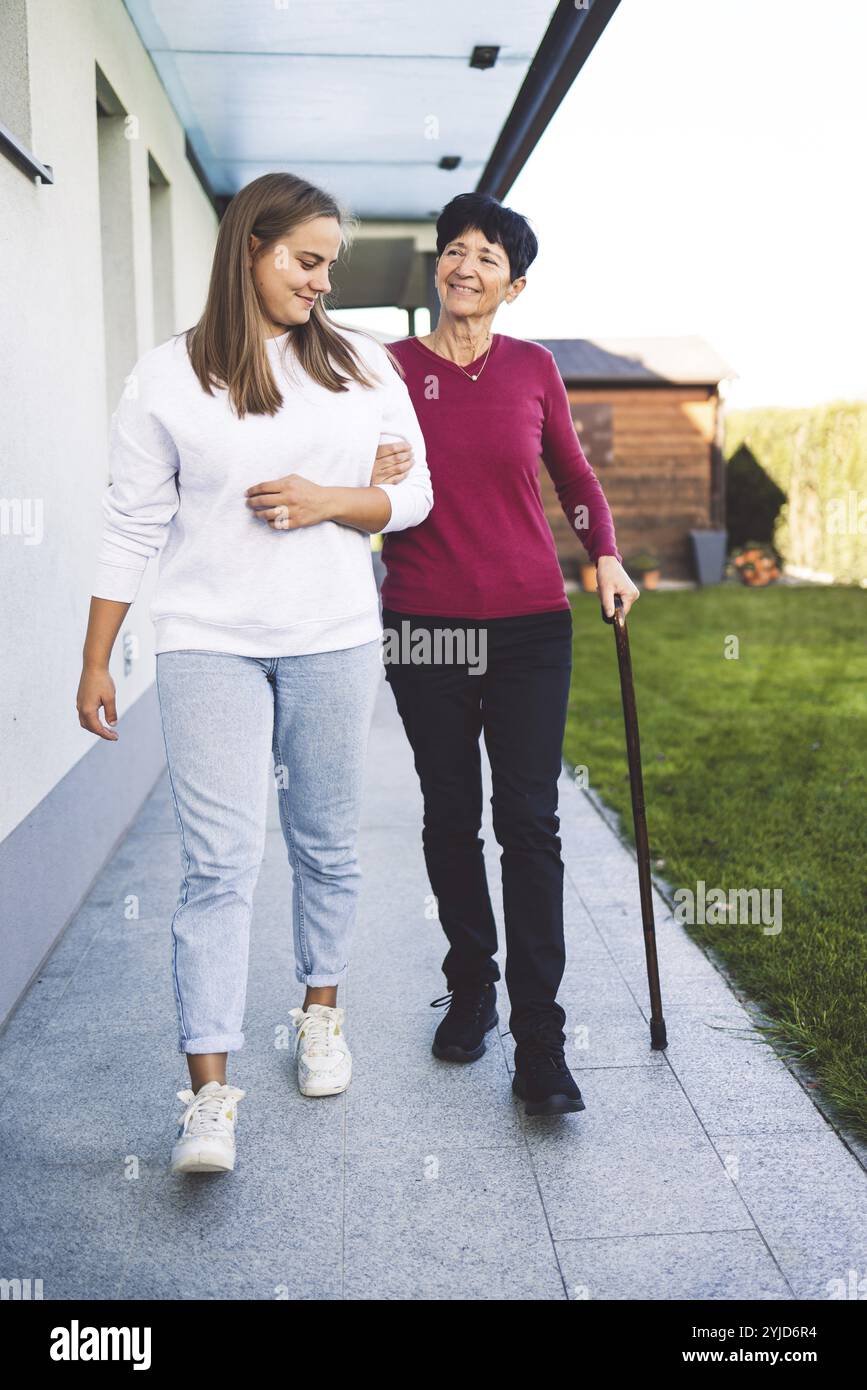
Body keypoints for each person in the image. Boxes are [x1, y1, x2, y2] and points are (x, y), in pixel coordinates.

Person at [76, 172, 432, 1173]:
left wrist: (334, 499)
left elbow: (415, 497)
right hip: (207, 644)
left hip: (332, 636)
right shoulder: (165, 378)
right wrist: (96, 654)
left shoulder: (361, 366)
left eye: (331, 265)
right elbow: (132, 524)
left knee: (325, 843)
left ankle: (320, 1013)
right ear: (250, 247)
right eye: (306, 260)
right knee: (219, 865)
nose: (323, 281)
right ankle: (209, 1097)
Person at [376, 192, 639, 1117]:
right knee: (449, 815)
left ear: (513, 285)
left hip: (531, 626)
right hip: (423, 624)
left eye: (487, 257)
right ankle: (472, 989)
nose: (465, 266)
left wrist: (602, 552)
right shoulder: (388, 367)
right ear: (437, 269)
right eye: (453, 250)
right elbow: (349, 459)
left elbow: (573, 475)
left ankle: (540, 1039)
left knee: (528, 823)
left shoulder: (532, 370)